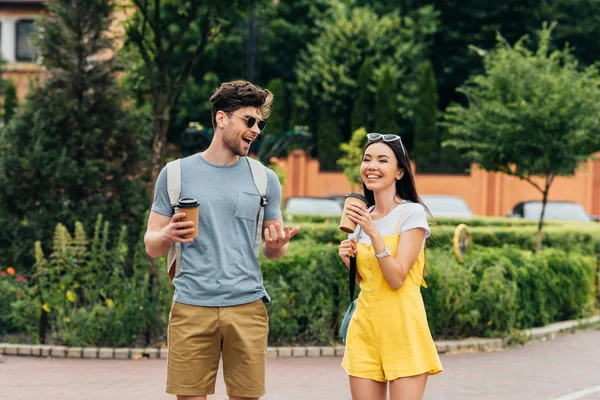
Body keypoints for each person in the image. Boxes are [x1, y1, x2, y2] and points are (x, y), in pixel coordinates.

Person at [144, 80, 300, 400]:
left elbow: (276, 249)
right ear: (221, 119)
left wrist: (275, 245)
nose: (256, 129)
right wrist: (166, 235)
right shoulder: (175, 174)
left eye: (260, 123)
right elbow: (151, 243)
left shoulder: (264, 179)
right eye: (249, 120)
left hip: (247, 306)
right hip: (191, 306)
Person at [338, 133, 443, 400]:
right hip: (365, 329)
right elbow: (370, 284)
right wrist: (348, 260)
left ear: (399, 172)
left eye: (382, 160)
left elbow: (396, 279)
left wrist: (373, 234)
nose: (372, 166)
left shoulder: (411, 214)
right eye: (367, 159)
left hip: (403, 330)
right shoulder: (361, 217)